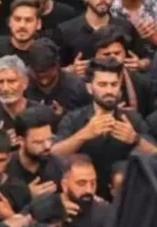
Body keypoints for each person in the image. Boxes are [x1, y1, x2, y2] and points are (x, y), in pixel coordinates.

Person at [53, 58, 157, 198]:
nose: (109, 90)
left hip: (128, 198)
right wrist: (84, 134)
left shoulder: (132, 119)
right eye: (103, 84)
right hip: (85, 198)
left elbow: (155, 153)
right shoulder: (73, 119)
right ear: (90, 88)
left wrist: (136, 139)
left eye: (114, 84)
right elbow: (54, 153)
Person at [8, 106, 66, 194]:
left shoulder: (61, 167)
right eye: (39, 142)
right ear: (21, 141)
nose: (47, 146)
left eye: (49, 139)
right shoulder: (5, 167)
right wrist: (26, 196)